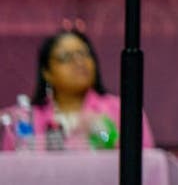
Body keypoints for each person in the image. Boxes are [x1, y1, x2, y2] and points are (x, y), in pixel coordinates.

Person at [1, 29, 154, 150]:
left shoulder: (123, 110)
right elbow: (14, 168)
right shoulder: (25, 118)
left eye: (84, 54)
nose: (79, 61)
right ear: (47, 72)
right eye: (66, 57)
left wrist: (103, 134)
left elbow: (145, 165)